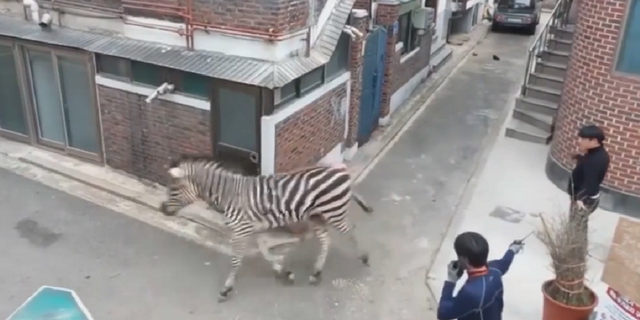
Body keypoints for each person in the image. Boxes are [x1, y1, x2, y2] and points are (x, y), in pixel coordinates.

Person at [436, 231, 524, 320]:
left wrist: (450, 282)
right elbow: (505, 262)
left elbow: (443, 314)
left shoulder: (471, 293)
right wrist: (513, 249)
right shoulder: (495, 270)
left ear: (465, 260)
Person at [568, 124, 610, 216]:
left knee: (576, 227)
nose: (579, 141)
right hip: (583, 196)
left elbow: (591, 182)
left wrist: (580, 199)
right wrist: (579, 157)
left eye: (582, 139)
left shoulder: (595, 161)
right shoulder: (598, 153)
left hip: (584, 200)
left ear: (594, 141)